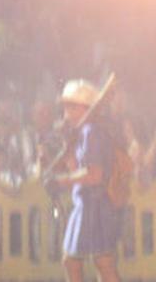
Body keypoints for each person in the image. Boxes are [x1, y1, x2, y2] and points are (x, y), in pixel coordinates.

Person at [47, 79, 122, 282]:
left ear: (83, 108)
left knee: (98, 263)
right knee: (95, 262)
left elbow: (94, 174)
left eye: (70, 106)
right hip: (86, 203)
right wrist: (67, 144)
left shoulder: (92, 132)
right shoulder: (82, 133)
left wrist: (61, 181)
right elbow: (77, 170)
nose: (66, 112)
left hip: (95, 204)